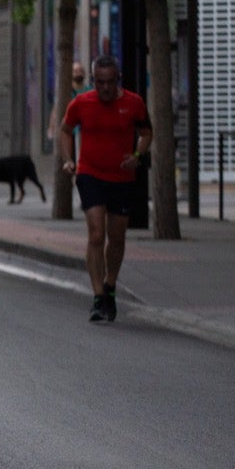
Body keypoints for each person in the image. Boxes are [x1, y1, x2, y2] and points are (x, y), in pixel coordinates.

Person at [59, 55, 152, 323]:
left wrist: (137, 154)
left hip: (121, 176)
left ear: (118, 79)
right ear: (93, 81)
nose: (105, 88)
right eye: (100, 82)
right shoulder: (81, 103)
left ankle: (110, 285)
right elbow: (66, 130)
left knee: (117, 237)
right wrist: (68, 159)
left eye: (110, 82)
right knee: (97, 234)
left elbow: (147, 132)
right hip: (90, 173)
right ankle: (99, 296)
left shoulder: (133, 103)